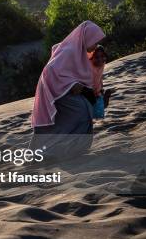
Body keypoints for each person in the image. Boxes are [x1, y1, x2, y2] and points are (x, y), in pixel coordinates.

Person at [30, 21, 106, 156]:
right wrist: (71, 84)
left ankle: (73, 148)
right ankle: (60, 149)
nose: (95, 46)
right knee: (81, 111)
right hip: (55, 87)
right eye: (94, 42)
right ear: (87, 38)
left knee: (82, 111)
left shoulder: (80, 51)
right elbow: (52, 69)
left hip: (63, 88)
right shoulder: (71, 50)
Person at [89, 44, 113, 112]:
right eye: (96, 57)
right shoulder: (88, 65)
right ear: (91, 58)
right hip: (88, 91)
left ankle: (105, 98)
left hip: (98, 90)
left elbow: (99, 76)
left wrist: (101, 87)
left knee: (100, 107)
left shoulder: (102, 63)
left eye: (102, 56)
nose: (100, 59)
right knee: (94, 109)